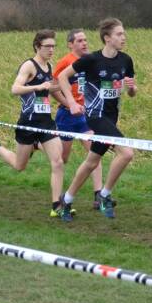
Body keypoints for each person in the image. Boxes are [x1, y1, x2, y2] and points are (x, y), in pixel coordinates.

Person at [57, 18, 137, 221]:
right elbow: (62, 77)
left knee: (91, 162)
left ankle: (66, 200)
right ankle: (104, 195)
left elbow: (131, 93)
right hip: (95, 116)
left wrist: (131, 88)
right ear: (107, 38)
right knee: (126, 153)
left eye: (124, 33)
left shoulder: (126, 60)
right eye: (119, 34)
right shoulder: (91, 59)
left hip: (111, 118)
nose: (124, 37)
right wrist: (71, 103)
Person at [0, 30, 67, 216]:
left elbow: (50, 91)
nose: (51, 50)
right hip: (28, 122)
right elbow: (15, 89)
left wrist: (68, 102)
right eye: (47, 46)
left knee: (58, 161)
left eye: (53, 46)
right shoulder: (29, 65)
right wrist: (38, 86)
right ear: (37, 46)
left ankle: (57, 205)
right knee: (19, 166)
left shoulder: (49, 66)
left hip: (46, 122)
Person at [52, 29, 104, 209]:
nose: (84, 43)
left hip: (85, 116)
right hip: (66, 116)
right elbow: (53, 88)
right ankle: (38, 144)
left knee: (95, 152)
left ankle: (98, 195)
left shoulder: (89, 61)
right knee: (63, 158)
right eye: (80, 41)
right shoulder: (65, 62)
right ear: (70, 44)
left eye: (85, 40)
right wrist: (68, 104)